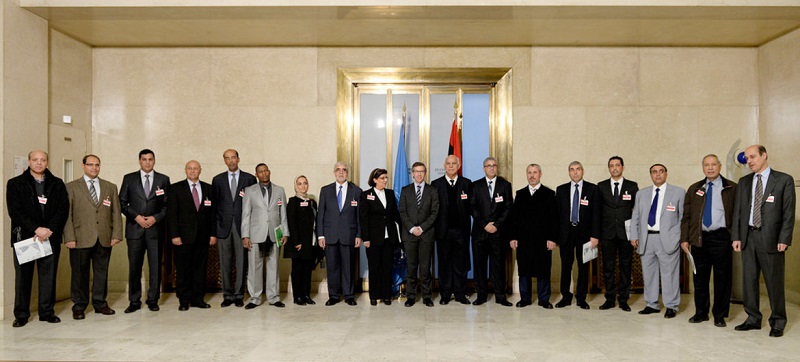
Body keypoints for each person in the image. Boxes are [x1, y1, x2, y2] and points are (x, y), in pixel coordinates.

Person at [731, 145, 795, 338]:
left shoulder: (784, 180)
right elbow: (738, 212)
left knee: (774, 282)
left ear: (764, 155)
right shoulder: (744, 182)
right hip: (748, 237)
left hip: (772, 239)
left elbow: (788, 213)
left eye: (753, 157)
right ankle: (752, 319)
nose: (749, 161)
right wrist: (736, 236)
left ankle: (778, 321)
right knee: (749, 281)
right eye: (747, 158)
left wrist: (784, 238)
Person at [6, 150, 69, 327]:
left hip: (50, 237)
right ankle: (21, 315)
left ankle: (47, 312)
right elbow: (15, 212)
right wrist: (36, 229)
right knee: (23, 278)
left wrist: (49, 230)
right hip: (27, 238)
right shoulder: (15, 184)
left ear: (47, 162)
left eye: (43, 160)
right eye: (35, 160)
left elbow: (62, 210)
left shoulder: (57, 184)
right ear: (29, 162)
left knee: (48, 277)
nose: (39, 163)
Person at [63, 154, 123, 320]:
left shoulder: (110, 187)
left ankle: (100, 303)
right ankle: (79, 305)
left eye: (97, 165)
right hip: (80, 237)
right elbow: (67, 215)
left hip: (104, 237)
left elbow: (116, 213)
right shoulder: (71, 187)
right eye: (90, 164)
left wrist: (117, 233)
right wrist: (69, 237)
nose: (94, 168)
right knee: (79, 274)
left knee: (101, 273)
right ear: (83, 166)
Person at [680, 154, 736, 327]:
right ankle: (701, 313)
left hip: (722, 238)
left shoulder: (732, 188)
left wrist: (736, 237)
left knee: (722, 278)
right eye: (706, 165)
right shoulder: (694, 188)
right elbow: (686, 217)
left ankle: (719, 314)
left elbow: (738, 215)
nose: (710, 168)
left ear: (719, 166)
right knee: (700, 278)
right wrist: (684, 239)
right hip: (699, 239)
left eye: (713, 164)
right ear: (702, 167)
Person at [118, 149, 170, 313]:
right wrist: (137, 217)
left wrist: (155, 218)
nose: (147, 162)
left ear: (154, 161)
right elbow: (122, 202)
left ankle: (153, 300)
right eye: (144, 159)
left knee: (155, 267)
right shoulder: (129, 178)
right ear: (139, 161)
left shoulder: (163, 179)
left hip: (155, 230)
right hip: (135, 229)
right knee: (134, 267)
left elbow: (168, 205)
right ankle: (134, 301)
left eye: (150, 159)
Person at [630, 164, 685, 319]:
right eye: (654, 172)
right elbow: (636, 216)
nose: (658, 175)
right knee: (649, 274)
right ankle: (652, 304)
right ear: (651, 175)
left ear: (666, 174)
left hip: (667, 239)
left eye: (661, 172)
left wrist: (678, 237)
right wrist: (634, 235)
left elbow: (683, 218)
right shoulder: (641, 194)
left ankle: (671, 305)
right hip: (646, 239)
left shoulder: (678, 192)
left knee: (669, 274)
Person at [167, 160, 217, 311]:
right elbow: (171, 214)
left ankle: (198, 299)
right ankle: (184, 299)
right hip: (182, 238)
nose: (193, 171)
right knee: (183, 270)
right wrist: (174, 235)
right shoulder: (176, 188)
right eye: (190, 168)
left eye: (195, 168)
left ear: (200, 170)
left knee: (200, 269)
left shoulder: (208, 189)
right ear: (185, 170)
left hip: (203, 237)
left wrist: (213, 234)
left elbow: (213, 214)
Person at [211, 149, 257, 308]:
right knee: (225, 262)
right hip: (223, 227)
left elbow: (254, 206)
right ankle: (227, 294)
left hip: (242, 227)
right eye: (227, 158)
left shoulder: (249, 179)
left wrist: (250, 230)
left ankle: (239, 294)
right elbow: (214, 207)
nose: (231, 161)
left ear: (238, 159)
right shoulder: (217, 180)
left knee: (241, 262)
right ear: (224, 160)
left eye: (233, 158)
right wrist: (214, 230)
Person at [509, 164, 557, 309]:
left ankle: (544, 299)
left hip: (543, 240)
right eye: (529, 172)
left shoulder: (549, 194)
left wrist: (553, 238)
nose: (532, 175)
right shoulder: (520, 194)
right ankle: (525, 298)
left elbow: (554, 219)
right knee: (524, 269)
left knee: (543, 269)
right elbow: (514, 218)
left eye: (535, 172)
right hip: (524, 240)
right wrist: (513, 237)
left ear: (540, 174)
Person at [241, 163, 288, 309]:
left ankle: (273, 297)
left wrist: (285, 232)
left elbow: (283, 214)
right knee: (255, 267)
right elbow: (246, 214)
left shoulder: (280, 190)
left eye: (266, 170)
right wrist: (245, 235)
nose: (264, 173)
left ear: (269, 172)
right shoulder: (250, 191)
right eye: (260, 172)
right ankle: (255, 297)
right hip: (256, 234)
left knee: (273, 266)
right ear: (257, 175)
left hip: (274, 234)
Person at [555, 161, 600, 309]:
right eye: (572, 170)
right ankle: (566, 297)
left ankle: (581, 298)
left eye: (578, 169)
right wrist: (556, 237)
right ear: (568, 172)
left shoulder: (592, 189)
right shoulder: (561, 190)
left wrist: (595, 235)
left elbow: (596, 215)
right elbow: (557, 215)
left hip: (585, 235)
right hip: (566, 234)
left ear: (583, 171)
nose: (575, 172)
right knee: (566, 266)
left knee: (583, 267)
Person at [317, 162, 362, 306]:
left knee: (348, 267)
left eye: (344, 170)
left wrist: (359, 235)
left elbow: (359, 216)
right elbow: (321, 215)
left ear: (347, 173)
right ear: (334, 173)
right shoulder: (325, 190)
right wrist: (320, 235)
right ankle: (334, 295)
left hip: (349, 234)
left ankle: (349, 295)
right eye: (338, 170)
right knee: (332, 267)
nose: (341, 172)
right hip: (330, 235)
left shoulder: (357, 191)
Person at [597, 156, 638, 312]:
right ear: (609, 168)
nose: (614, 168)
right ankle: (609, 298)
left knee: (625, 266)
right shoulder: (601, 186)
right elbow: (597, 212)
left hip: (626, 234)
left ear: (622, 167)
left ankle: (623, 299)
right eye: (611, 166)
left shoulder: (632, 186)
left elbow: (636, 211)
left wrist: (635, 234)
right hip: (607, 233)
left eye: (617, 165)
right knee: (608, 267)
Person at [471, 157, 513, 307]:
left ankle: (500, 296)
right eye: (488, 166)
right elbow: (473, 208)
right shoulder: (475, 186)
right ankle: (481, 295)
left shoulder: (505, 185)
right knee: (480, 265)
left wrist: (496, 225)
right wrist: (485, 225)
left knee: (498, 265)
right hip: (480, 233)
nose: (491, 168)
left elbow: (508, 208)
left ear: (497, 168)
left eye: (494, 165)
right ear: (484, 169)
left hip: (498, 233)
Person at [430, 155, 472, 305]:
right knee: (445, 263)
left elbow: (471, 208)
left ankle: (460, 294)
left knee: (461, 264)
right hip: (443, 232)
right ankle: (445, 294)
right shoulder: (436, 184)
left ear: (459, 165)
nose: (451, 166)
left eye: (454, 163)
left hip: (461, 231)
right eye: (448, 163)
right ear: (444, 165)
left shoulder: (466, 184)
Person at [359, 168, 402, 306]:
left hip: (389, 237)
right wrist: (366, 238)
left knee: (387, 267)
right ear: (375, 180)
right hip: (372, 238)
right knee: (374, 267)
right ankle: (374, 296)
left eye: (386, 178)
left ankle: (386, 295)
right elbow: (363, 218)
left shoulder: (389, 194)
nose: (385, 180)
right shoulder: (366, 195)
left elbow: (395, 214)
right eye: (382, 178)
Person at [399, 162, 439, 307]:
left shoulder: (432, 190)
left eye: (422, 171)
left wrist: (421, 228)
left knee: (425, 267)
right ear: (412, 173)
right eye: (416, 171)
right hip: (409, 235)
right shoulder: (405, 190)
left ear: (425, 172)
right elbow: (402, 212)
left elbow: (435, 212)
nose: (419, 174)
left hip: (426, 234)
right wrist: (412, 228)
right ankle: (411, 296)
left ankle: (427, 296)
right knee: (411, 267)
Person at [285, 175, 318, 306]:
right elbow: (291, 223)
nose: (303, 186)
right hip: (298, 243)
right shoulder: (293, 202)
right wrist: (296, 242)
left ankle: (306, 295)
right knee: (297, 270)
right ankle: (297, 296)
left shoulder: (312, 202)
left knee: (307, 270)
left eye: (305, 183)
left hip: (310, 242)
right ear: (295, 186)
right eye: (300, 184)